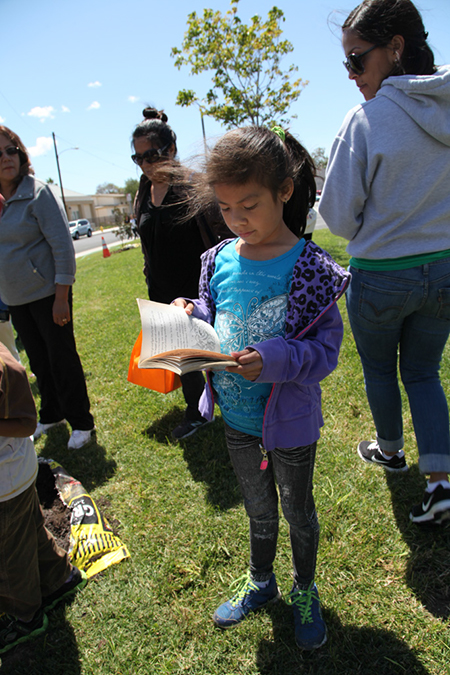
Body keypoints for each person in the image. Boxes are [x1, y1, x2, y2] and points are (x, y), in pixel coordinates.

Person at [173, 125, 350, 650]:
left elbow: (324, 353)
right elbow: (214, 314)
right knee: (258, 511)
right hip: (238, 422)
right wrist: (191, 312)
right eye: (225, 209)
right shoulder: (219, 260)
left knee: (297, 511)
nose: (237, 220)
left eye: (249, 204)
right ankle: (262, 581)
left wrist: (273, 359)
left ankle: (304, 589)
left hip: (290, 425)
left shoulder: (310, 268)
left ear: (286, 191)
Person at [319, 0, 450, 524]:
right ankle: (441, 484)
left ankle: (391, 450)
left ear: (395, 49)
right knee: (423, 372)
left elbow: (338, 219)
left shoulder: (365, 121)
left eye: (357, 60)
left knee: (380, 368)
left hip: (381, 277)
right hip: (444, 272)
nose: (351, 74)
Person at [132, 107, 230, 440]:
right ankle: (197, 412)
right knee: (183, 359)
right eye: (139, 158)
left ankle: (224, 408)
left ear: (171, 150)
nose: (146, 164)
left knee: (214, 353)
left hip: (195, 291)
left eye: (152, 155)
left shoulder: (193, 188)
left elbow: (221, 235)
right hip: (162, 289)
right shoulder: (144, 192)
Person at [0, 126, 95, 450]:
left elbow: (63, 248)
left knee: (61, 359)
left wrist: (61, 297)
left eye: (10, 150)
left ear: (21, 153)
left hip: (47, 296)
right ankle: (52, 413)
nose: (5, 158)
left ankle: (82, 422)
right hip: (15, 299)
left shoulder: (37, 192)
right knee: (39, 363)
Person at [0, 341, 87, 655]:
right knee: (30, 533)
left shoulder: (5, 367)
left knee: (8, 558)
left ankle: (26, 615)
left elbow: (25, 422)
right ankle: (60, 578)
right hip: (13, 477)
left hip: (6, 481)